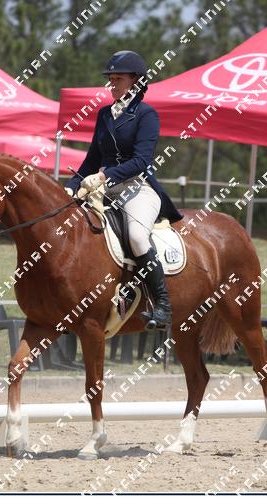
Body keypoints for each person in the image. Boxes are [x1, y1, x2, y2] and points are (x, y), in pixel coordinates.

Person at [65, 50, 182, 330]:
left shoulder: (146, 115)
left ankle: (163, 305)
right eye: (111, 79)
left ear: (136, 81)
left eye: (118, 79)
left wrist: (105, 175)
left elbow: (141, 161)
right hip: (102, 189)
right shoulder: (104, 114)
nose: (112, 84)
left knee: (137, 236)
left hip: (137, 188)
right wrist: (70, 187)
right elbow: (92, 157)